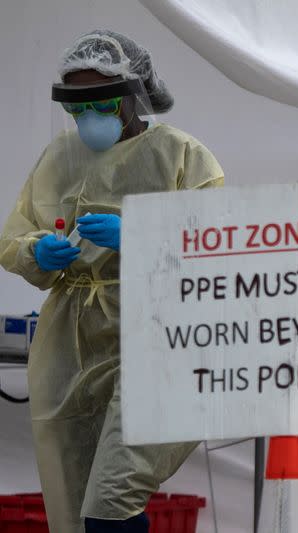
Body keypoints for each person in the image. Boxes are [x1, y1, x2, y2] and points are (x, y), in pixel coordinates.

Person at [0, 30, 224, 533]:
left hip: (159, 337)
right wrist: (38, 249)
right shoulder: (58, 157)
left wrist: (142, 235)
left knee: (110, 501)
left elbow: (218, 249)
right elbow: (15, 236)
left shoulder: (182, 156)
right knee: (74, 500)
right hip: (70, 342)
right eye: (77, 108)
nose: (88, 120)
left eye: (99, 104)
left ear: (132, 94)